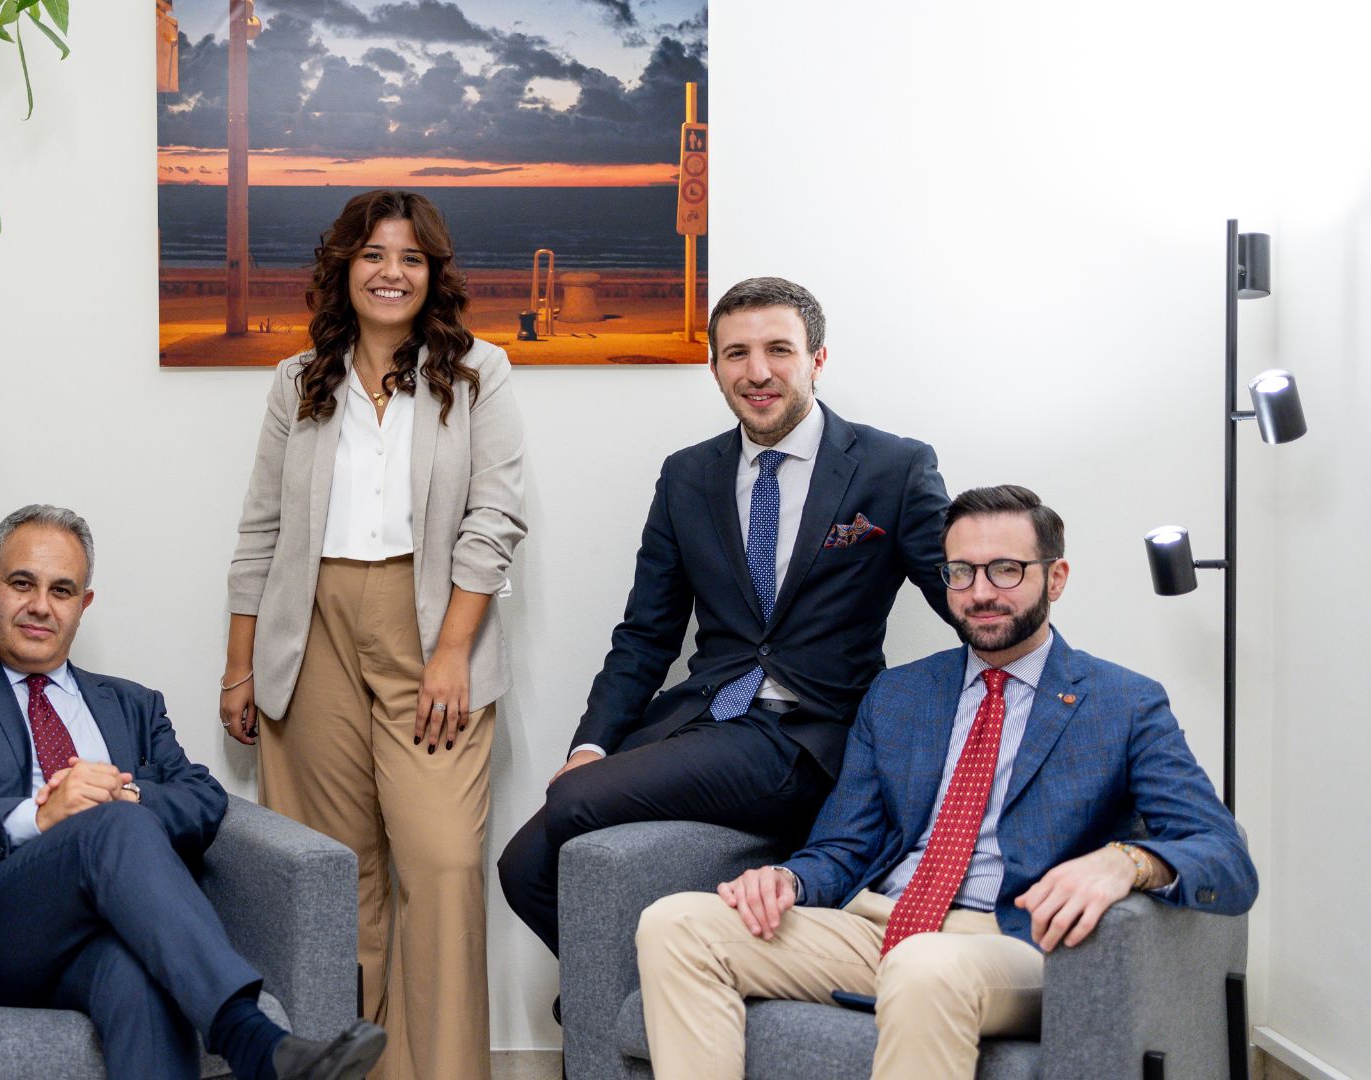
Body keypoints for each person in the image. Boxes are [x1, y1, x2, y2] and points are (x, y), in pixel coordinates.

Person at [635, 485, 1258, 1079]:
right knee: (676, 923)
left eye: (1006, 570)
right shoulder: (900, 693)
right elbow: (844, 846)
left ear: (1055, 578)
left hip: (1010, 939)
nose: (980, 592)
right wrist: (788, 879)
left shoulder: (1123, 703)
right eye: (961, 572)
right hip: (880, 922)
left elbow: (1224, 855)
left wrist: (1127, 861)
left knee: (924, 966)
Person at [499, 276, 954, 961]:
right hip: (706, 720)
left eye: (779, 350)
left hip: (811, 737)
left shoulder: (892, 467)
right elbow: (646, 635)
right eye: (737, 353)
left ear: (817, 359)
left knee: (573, 803)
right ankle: (654, 998)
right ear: (715, 368)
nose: (757, 372)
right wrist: (590, 747)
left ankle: (672, 988)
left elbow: (964, 596)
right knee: (524, 867)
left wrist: (1032, 663)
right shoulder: (688, 475)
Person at [0, 505, 385, 1080]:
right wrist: (40, 815)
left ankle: (254, 1044)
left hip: (91, 935)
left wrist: (130, 799)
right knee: (111, 826)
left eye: (62, 590)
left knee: (138, 974)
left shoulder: (133, 705)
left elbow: (203, 798)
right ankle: (250, 1038)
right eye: (22, 583)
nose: (41, 605)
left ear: (83, 604)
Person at [219, 189, 526, 1080]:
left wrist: (451, 654)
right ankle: (340, 1065)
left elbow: (495, 520)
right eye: (374, 255)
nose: (392, 273)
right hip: (308, 631)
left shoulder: (480, 372)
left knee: (441, 864)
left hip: (432, 630)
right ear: (344, 268)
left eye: (411, 258)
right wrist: (239, 668)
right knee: (331, 876)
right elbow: (261, 530)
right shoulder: (299, 380)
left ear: (433, 274)